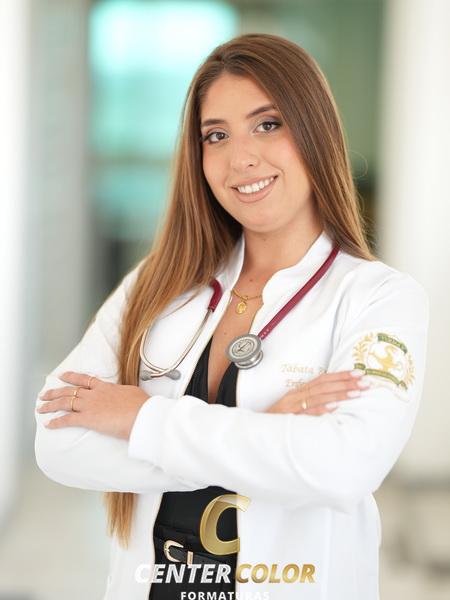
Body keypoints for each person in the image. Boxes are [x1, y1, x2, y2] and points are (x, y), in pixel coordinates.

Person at [34, 33, 429, 600]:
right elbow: (57, 442)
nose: (241, 158)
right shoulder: (158, 283)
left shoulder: (380, 298)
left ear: (315, 132)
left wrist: (139, 419)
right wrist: (265, 429)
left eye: (267, 124)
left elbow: (345, 466)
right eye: (216, 135)